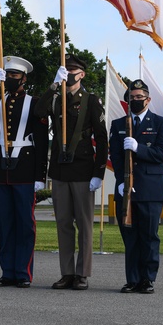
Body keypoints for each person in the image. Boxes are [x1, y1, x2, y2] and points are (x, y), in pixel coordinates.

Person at [34, 54, 107, 291]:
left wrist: (99, 172)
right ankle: (66, 272)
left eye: (73, 71)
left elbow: (102, 138)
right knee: (63, 223)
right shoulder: (56, 100)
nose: (70, 74)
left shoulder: (91, 100)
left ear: (82, 74)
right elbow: (38, 111)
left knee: (84, 224)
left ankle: (82, 273)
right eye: (66, 70)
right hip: (60, 169)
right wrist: (53, 85)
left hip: (84, 168)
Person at [0, 56, 49, 288]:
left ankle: (23, 272)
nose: (9, 79)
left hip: (25, 169)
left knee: (25, 225)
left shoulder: (34, 102)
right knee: (6, 224)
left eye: (14, 76)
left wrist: (41, 176)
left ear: (24, 78)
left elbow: (41, 142)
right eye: (6, 75)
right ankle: (7, 272)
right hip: (2, 169)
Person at [108, 79, 163, 295]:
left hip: (150, 189)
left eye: (139, 97)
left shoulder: (161, 123)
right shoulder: (118, 125)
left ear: (148, 99)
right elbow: (116, 157)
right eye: (131, 97)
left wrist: (139, 149)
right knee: (130, 236)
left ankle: (147, 279)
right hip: (126, 189)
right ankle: (132, 279)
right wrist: (120, 181)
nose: (135, 100)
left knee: (149, 236)